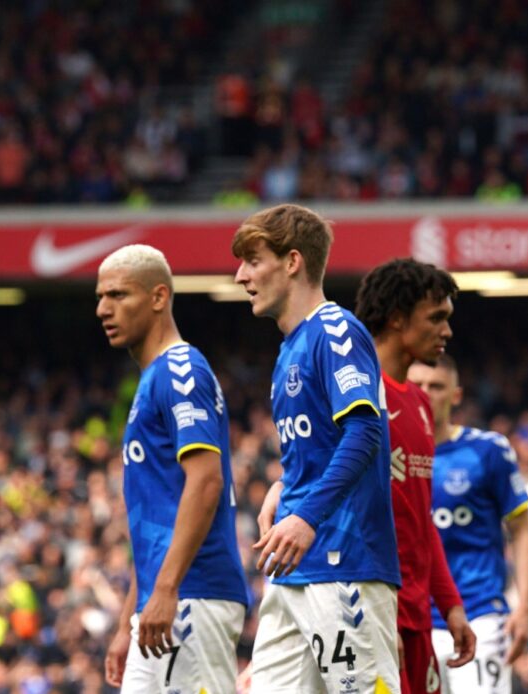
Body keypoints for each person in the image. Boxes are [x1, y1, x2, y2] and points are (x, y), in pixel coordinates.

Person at [231, 203, 401, 693]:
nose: (242, 275)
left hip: (343, 560)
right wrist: (285, 485)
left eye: (253, 260)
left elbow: (365, 431)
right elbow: (324, 444)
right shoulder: (290, 349)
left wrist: (306, 515)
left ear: (292, 262)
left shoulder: (336, 330)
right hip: (293, 574)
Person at [96, 245, 249, 692]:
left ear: (159, 297)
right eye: (101, 297)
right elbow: (156, 526)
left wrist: (164, 592)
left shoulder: (181, 370)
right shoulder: (153, 379)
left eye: (119, 295)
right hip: (166, 595)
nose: (104, 308)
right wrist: (130, 617)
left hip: (192, 593)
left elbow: (206, 482)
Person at [356, 258, 475, 694]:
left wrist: (452, 605)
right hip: (371, 612)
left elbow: (422, 520)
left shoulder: (422, 407)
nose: (446, 331)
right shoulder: (360, 395)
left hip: (417, 615)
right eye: (437, 318)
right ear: (397, 318)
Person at [409, 355, 528, 693]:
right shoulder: (386, 456)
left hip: (480, 615)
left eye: (435, 386)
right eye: (417, 385)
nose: (424, 393)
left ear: (455, 395)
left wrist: (526, 606)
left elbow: (522, 529)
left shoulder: (488, 451)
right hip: (414, 622)